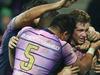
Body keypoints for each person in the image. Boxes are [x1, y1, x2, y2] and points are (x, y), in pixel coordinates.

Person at [0, 0, 79, 75]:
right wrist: (57, 5)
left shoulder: (46, 39)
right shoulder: (14, 30)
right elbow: (26, 17)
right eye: (43, 14)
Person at [67, 9, 100, 75]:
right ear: (70, 28)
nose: (84, 35)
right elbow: (82, 70)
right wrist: (92, 48)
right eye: (80, 30)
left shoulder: (91, 39)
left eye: (86, 30)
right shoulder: (64, 45)